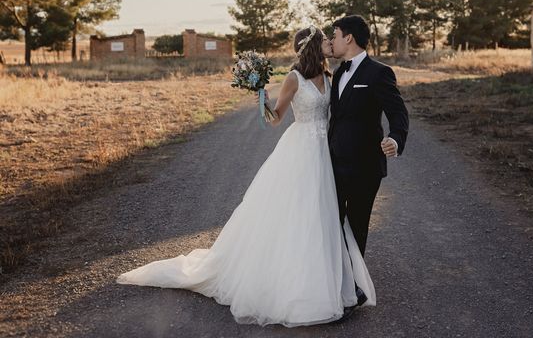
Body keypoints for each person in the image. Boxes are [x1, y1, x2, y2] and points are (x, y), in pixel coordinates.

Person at [117, 25, 375, 327]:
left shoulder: (331, 76)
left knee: (322, 216)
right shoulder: (294, 78)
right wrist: (261, 97)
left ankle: (326, 279)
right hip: (300, 152)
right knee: (298, 215)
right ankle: (297, 287)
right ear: (315, 46)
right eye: (327, 41)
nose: (332, 43)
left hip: (324, 153)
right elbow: (275, 119)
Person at [329, 15, 409, 257]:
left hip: (364, 167)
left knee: (357, 226)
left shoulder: (379, 73)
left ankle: (356, 285)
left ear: (349, 38)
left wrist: (395, 138)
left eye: (335, 35)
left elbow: (398, 112)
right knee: (331, 225)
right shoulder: (337, 73)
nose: (332, 41)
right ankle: (336, 279)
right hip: (333, 163)